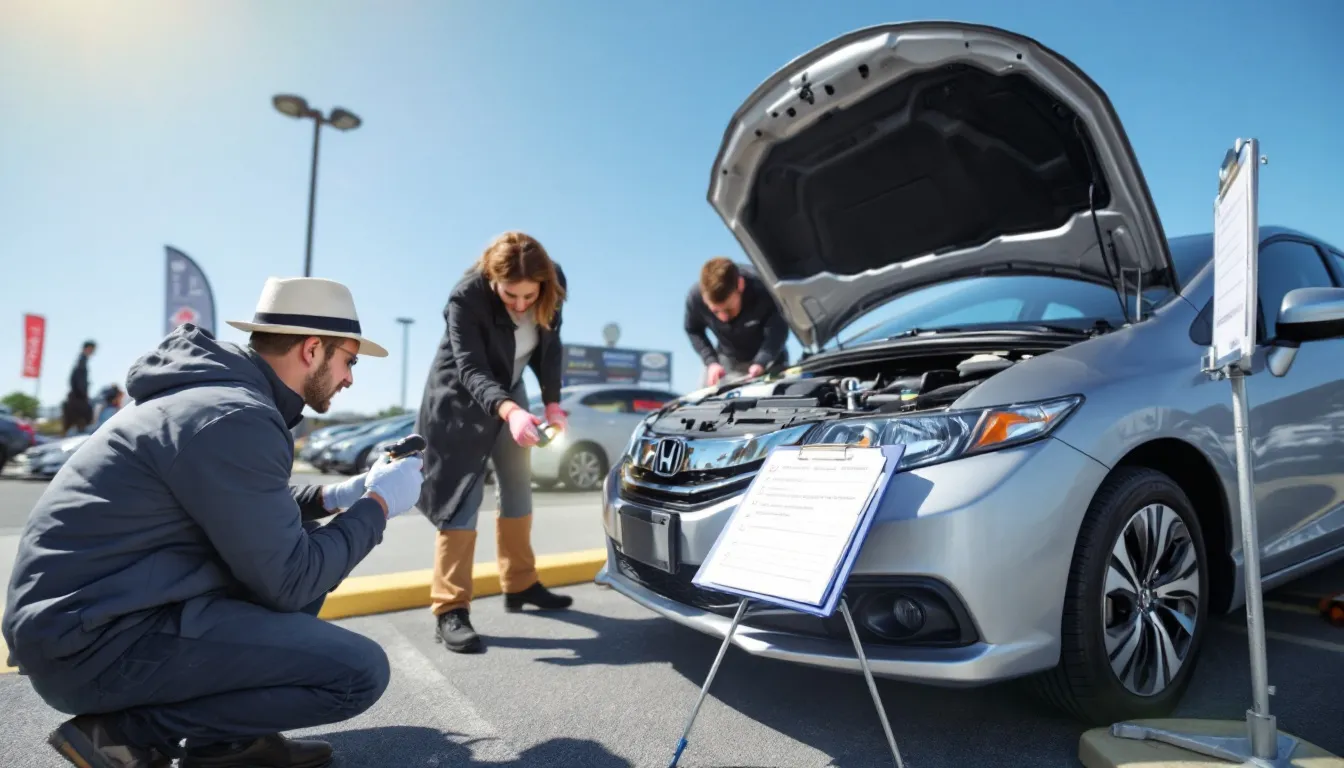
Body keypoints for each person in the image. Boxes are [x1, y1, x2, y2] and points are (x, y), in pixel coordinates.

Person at [3, 277, 426, 768]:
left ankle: (229, 745)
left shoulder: (213, 397)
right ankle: (124, 735)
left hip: (87, 622)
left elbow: (241, 504)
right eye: (349, 360)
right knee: (359, 672)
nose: (350, 377)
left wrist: (337, 495)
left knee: (298, 540)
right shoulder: (234, 415)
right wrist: (377, 505)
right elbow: (292, 580)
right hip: (94, 646)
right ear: (313, 349)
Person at [417, 231, 574, 655]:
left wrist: (553, 405)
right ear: (492, 278)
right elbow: (470, 368)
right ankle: (450, 608)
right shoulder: (465, 298)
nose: (521, 305)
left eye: (529, 295)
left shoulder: (552, 284)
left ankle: (520, 583)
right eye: (510, 295)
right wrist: (510, 411)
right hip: (459, 401)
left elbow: (550, 349)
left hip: (511, 390)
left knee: (518, 483)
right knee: (463, 497)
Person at [684, 257, 790, 386]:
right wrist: (711, 362)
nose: (723, 318)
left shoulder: (763, 287)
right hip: (727, 360)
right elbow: (693, 329)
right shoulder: (695, 298)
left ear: (740, 285)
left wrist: (762, 361)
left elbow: (779, 328)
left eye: (729, 309)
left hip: (770, 358)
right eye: (715, 311)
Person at [61, 339, 96, 435]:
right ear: (87, 348)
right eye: (92, 349)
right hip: (78, 397)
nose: (93, 352)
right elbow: (78, 381)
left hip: (76, 397)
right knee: (85, 419)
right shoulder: (81, 361)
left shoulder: (81, 360)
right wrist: (84, 394)